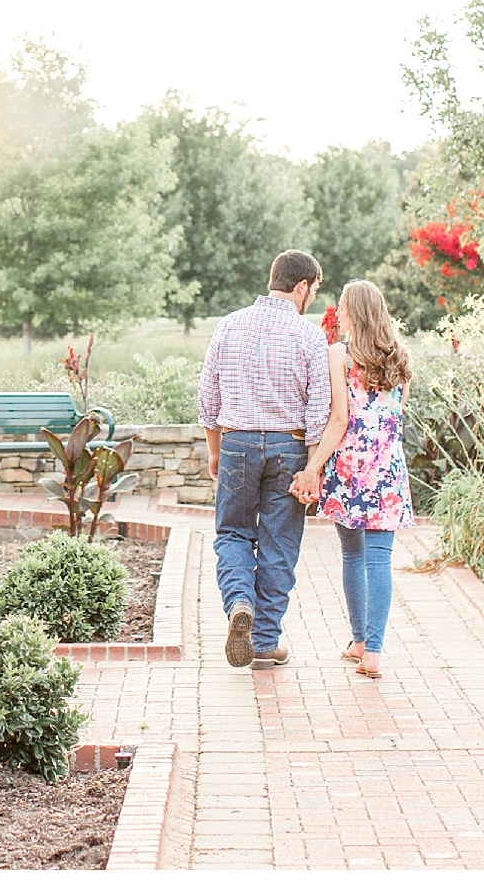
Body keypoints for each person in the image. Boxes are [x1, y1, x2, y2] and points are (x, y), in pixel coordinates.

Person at [196, 250, 331, 668]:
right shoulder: (308, 336)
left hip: (236, 442)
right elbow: (319, 410)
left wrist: (216, 452)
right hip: (288, 447)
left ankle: (240, 602)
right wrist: (311, 468)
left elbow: (207, 400)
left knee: (234, 533)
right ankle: (265, 640)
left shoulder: (229, 325)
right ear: (303, 286)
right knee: (279, 543)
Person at [291, 279, 413, 677]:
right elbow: (395, 418)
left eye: (342, 307)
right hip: (389, 470)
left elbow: (340, 419)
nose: (338, 312)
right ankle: (372, 651)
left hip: (350, 470)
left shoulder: (340, 355)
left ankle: (360, 640)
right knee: (380, 558)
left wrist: (313, 467)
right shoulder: (401, 358)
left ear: (355, 312)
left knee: (352, 554)